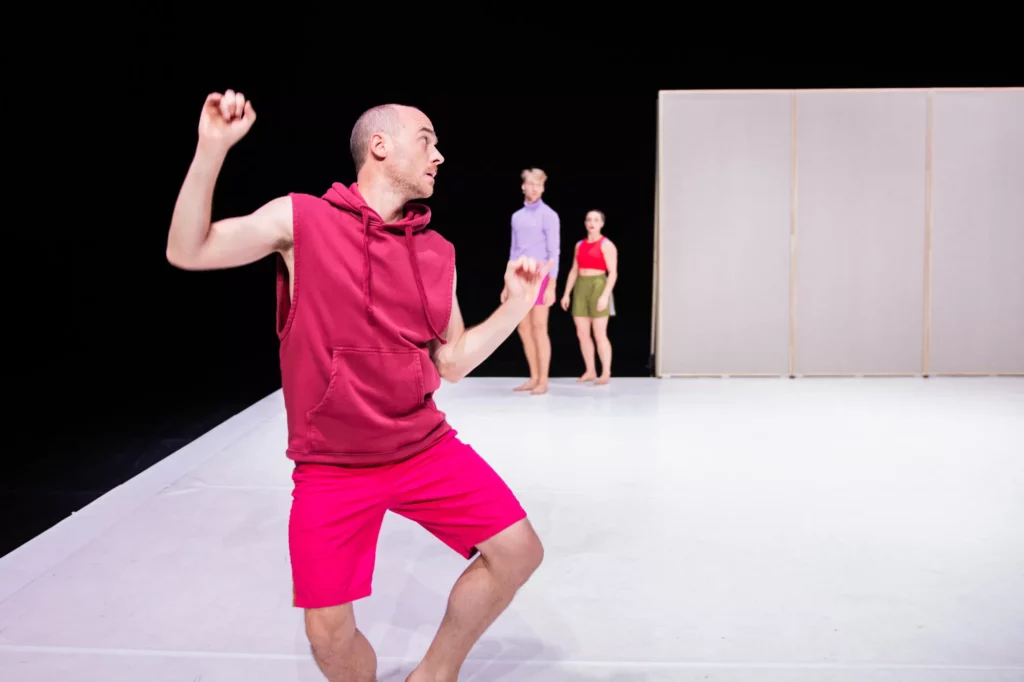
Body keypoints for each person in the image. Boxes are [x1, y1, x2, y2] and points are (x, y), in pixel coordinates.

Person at [166, 90, 547, 682]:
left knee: (519, 551)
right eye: (426, 140)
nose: (439, 155)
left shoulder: (437, 251)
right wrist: (211, 148)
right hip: (331, 466)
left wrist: (516, 306)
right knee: (327, 634)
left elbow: (451, 362)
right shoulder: (302, 220)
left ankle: (435, 674)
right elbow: (187, 250)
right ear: (380, 146)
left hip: (422, 449)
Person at [502, 168, 560, 395]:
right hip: (519, 276)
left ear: (543, 188)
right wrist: (507, 283)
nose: (535, 189)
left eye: (539, 185)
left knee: (539, 327)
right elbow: (514, 250)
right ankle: (534, 377)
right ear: (523, 186)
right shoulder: (517, 217)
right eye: (531, 184)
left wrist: (552, 285)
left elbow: (554, 252)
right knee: (524, 328)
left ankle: (543, 380)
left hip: (540, 275)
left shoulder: (549, 215)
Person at [560, 210, 618, 384]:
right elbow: (574, 270)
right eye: (589, 219)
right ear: (585, 223)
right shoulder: (579, 245)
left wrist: (605, 296)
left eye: (596, 220)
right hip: (581, 286)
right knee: (582, 333)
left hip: (598, 285)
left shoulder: (607, 245)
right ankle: (590, 370)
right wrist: (566, 293)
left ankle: (606, 371)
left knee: (599, 333)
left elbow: (613, 273)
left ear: (602, 224)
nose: (592, 223)